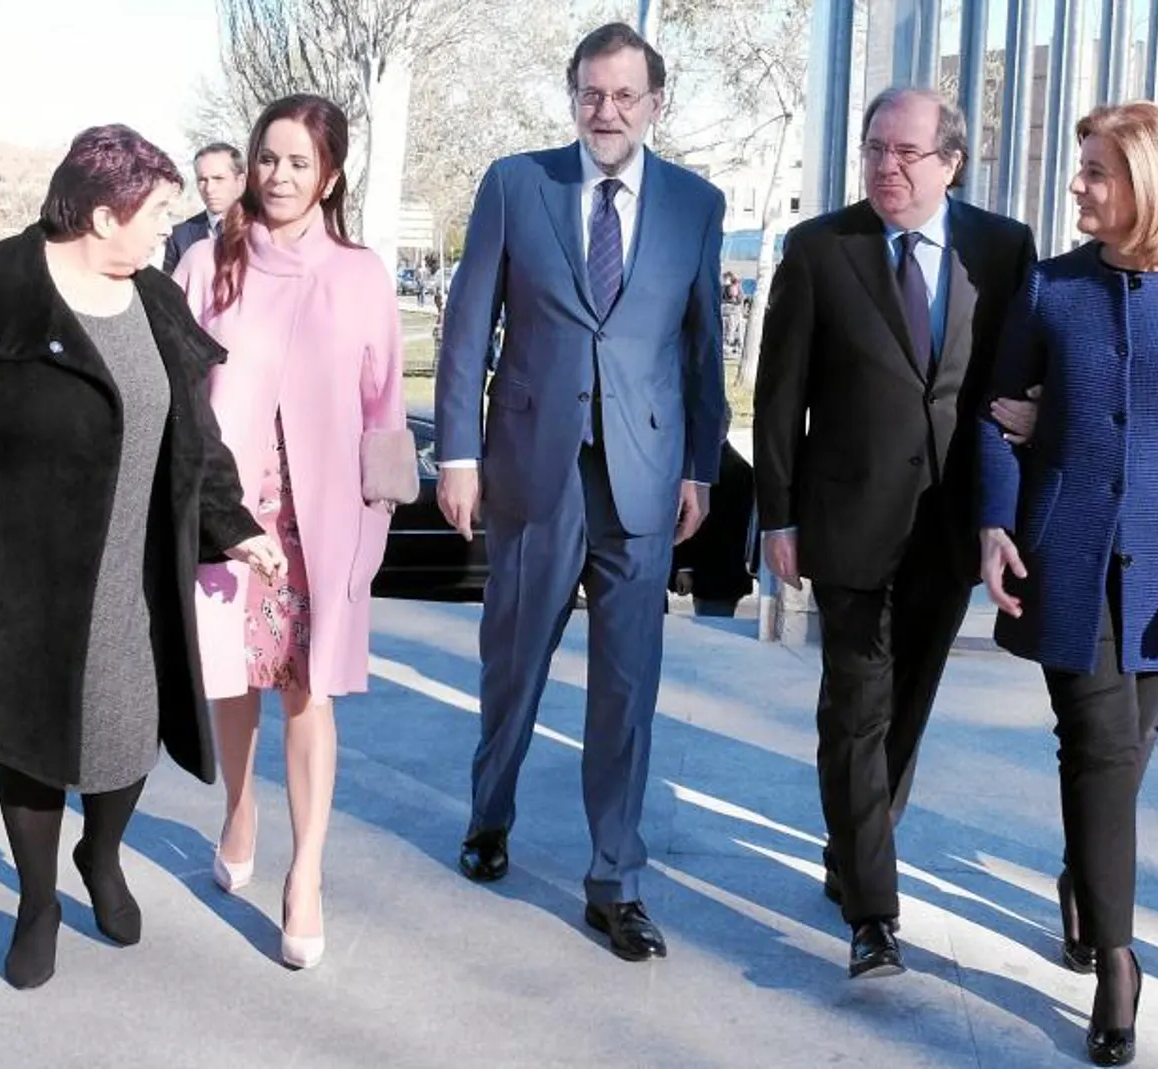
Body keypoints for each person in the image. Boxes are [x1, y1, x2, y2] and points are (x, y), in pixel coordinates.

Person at [0, 124, 286, 991]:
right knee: (29, 741)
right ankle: (36, 902)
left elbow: (194, 438)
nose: (169, 229)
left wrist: (233, 522)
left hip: (135, 573)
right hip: (20, 572)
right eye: (157, 212)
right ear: (103, 214)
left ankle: (100, 854)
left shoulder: (156, 300)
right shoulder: (4, 293)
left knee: (126, 736)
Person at [978, 101, 1158, 1066]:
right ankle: (1118, 961)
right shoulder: (1052, 286)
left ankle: (1081, 876)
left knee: (1121, 749)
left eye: (1097, 171)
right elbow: (995, 415)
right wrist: (994, 521)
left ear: (1150, 181)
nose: (1078, 185)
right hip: (1066, 550)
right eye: (1082, 169)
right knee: (1102, 746)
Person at [434, 21, 727, 962]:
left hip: (643, 479)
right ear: (573, 99)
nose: (608, 112)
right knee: (513, 663)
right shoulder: (519, 184)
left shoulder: (696, 202)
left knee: (628, 690)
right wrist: (459, 456)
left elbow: (699, 346)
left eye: (625, 96)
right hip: (534, 467)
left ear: (655, 104)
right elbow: (468, 326)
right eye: (592, 95)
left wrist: (702, 465)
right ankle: (491, 812)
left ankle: (616, 879)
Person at [754, 86, 1035, 980]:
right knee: (854, 710)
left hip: (947, 528)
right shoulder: (818, 248)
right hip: (846, 520)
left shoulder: (1002, 248)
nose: (886, 166)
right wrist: (778, 515)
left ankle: (853, 849)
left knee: (905, 710)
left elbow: (1011, 376)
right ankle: (875, 912)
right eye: (875, 148)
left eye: (907, 153)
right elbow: (777, 396)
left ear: (951, 161)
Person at [174, 93, 408, 971]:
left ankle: (305, 873)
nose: (278, 176)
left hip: (326, 520)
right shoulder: (207, 264)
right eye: (266, 158)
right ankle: (240, 805)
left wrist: (376, 521)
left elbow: (385, 407)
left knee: (309, 690)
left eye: (298, 162)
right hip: (231, 516)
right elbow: (180, 395)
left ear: (331, 174)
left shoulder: (362, 274)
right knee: (232, 679)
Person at [163, 142, 246, 275]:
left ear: (240, 182)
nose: (209, 189)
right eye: (202, 180)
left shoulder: (264, 229)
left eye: (218, 178)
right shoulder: (179, 237)